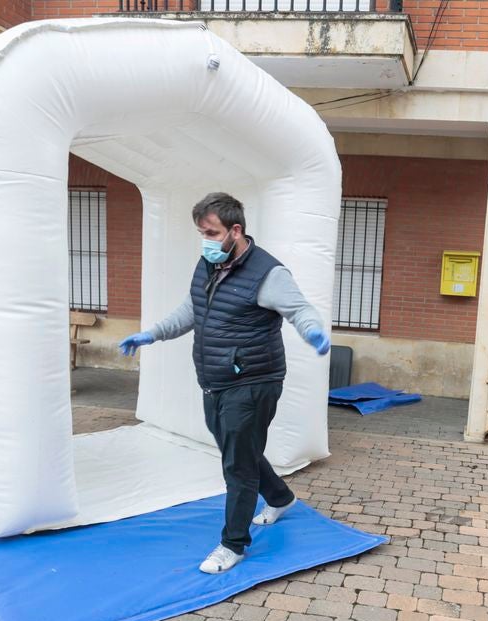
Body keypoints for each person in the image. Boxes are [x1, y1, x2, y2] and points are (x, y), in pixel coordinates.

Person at [119, 192, 330, 574]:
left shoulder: (269, 274)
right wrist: (153, 334)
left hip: (254, 381)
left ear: (236, 230)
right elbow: (193, 309)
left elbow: (299, 309)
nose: (205, 240)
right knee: (238, 451)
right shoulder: (208, 263)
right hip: (215, 380)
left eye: (211, 232)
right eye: (201, 232)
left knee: (238, 465)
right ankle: (280, 497)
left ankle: (232, 545)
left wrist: (313, 331)